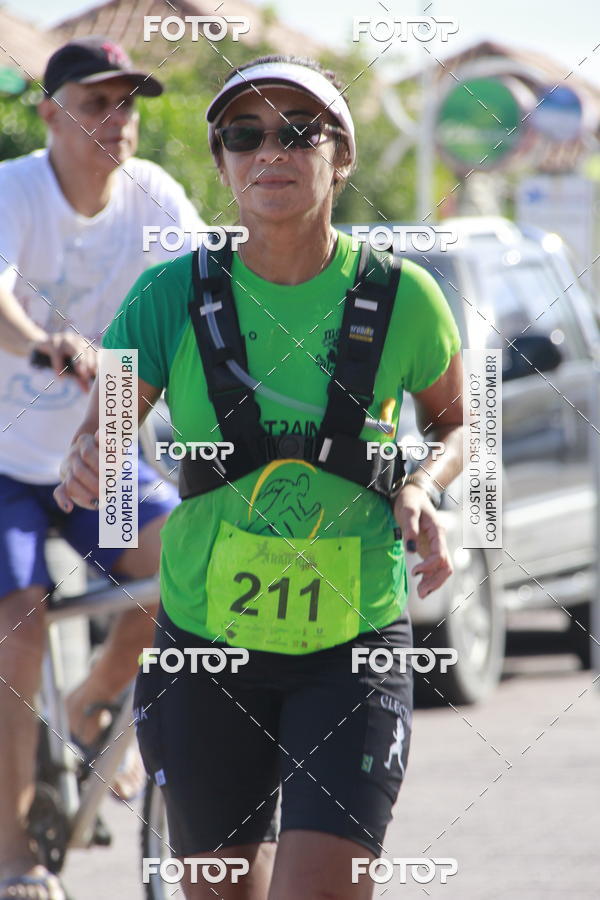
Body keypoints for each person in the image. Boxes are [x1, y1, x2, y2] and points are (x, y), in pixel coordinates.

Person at [56, 55, 464, 899]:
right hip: (206, 647)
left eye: (298, 133)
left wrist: (424, 484)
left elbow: (464, 420)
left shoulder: (403, 297)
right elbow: (110, 427)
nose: (269, 152)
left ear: (339, 157)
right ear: (222, 163)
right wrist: (93, 462)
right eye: (244, 136)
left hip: (351, 646)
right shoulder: (169, 295)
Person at [0, 36, 205, 899]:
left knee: (181, 574)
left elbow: (210, 289)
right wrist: (41, 341)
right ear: (50, 113)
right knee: (17, 621)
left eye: (128, 104)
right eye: (95, 104)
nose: (117, 122)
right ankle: (14, 854)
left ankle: (93, 703)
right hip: (7, 460)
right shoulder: (14, 189)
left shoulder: (154, 194)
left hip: (99, 444)